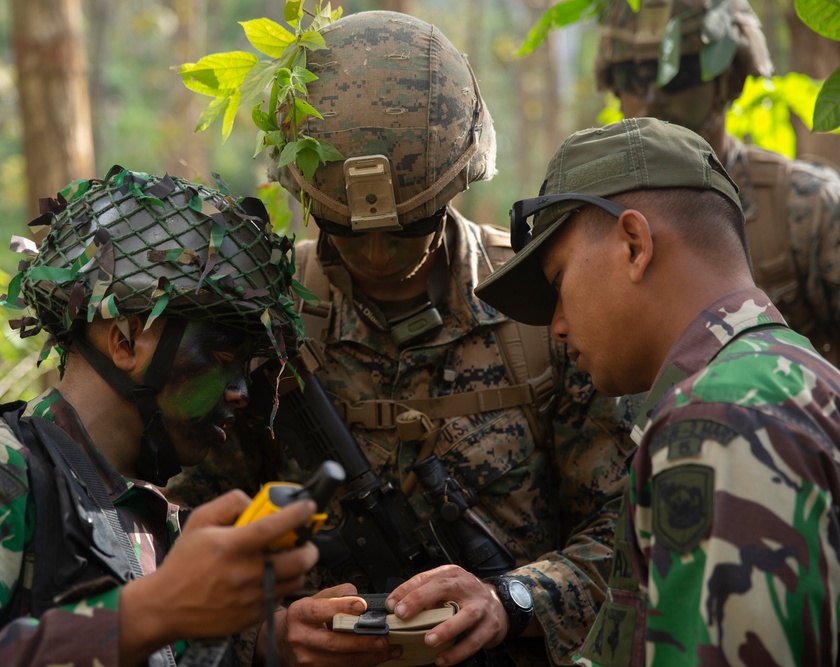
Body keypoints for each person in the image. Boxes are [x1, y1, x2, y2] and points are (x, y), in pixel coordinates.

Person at [168, 11, 639, 667]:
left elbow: (631, 533)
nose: (382, 253)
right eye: (349, 229)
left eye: (411, 225)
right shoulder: (266, 320)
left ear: (455, 185)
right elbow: (174, 535)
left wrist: (514, 599)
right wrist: (266, 635)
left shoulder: (543, 309)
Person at [0, 165, 332, 666]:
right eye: (223, 357)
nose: (240, 393)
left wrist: (273, 643)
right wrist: (150, 613)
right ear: (127, 340)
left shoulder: (151, 518)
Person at [474, 116, 840, 665]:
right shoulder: (792, 375)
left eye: (558, 283)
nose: (557, 325)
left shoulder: (718, 424)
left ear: (634, 244)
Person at [595, 0, 840, 365]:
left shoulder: (806, 208)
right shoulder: (596, 222)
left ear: (732, 79)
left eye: (680, 75)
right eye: (635, 77)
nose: (652, 98)